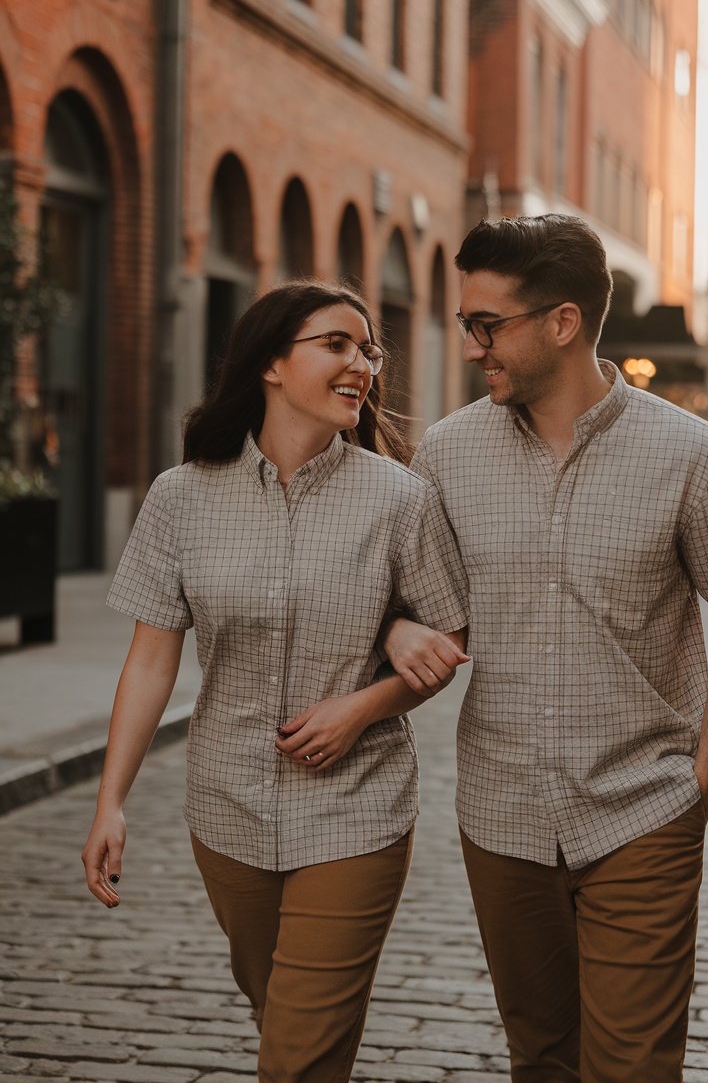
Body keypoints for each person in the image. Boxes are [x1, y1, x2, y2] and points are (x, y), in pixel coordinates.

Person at [384, 214, 708, 1082]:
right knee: (542, 1058)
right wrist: (396, 626)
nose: (473, 344)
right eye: (467, 324)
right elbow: (401, 597)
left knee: (634, 1067)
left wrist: (702, 777)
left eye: (487, 324)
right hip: (501, 817)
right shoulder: (448, 453)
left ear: (561, 323)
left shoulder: (692, 453)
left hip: (643, 809)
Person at [81, 281, 468, 1083]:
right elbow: (152, 658)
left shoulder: (400, 498)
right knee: (279, 1014)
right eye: (337, 344)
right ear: (269, 363)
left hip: (359, 808)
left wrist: (365, 706)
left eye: (368, 350)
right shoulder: (180, 496)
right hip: (226, 808)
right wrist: (110, 800)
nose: (362, 363)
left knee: (295, 1052)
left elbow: (449, 636)